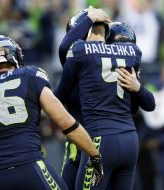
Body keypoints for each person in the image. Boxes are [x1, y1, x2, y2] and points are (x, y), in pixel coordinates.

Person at [0, 35, 104, 190]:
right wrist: (94, 155)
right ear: (13, 56)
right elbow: (65, 122)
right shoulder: (30, 76)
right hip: (29, 167)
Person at [56, 18, 155, 189]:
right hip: (128, 139)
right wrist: (137, 88)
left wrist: (89, 20)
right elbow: (143, 105)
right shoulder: (132, 54)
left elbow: (66, 50)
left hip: (96, 142)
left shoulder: (81, 54)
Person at [59, 8, 111, 190]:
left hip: (99, 141)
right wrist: (89, 19)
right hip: (80, 143)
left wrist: (89, 20)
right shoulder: (76, 60)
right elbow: (65, 48)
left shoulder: (108, 62)